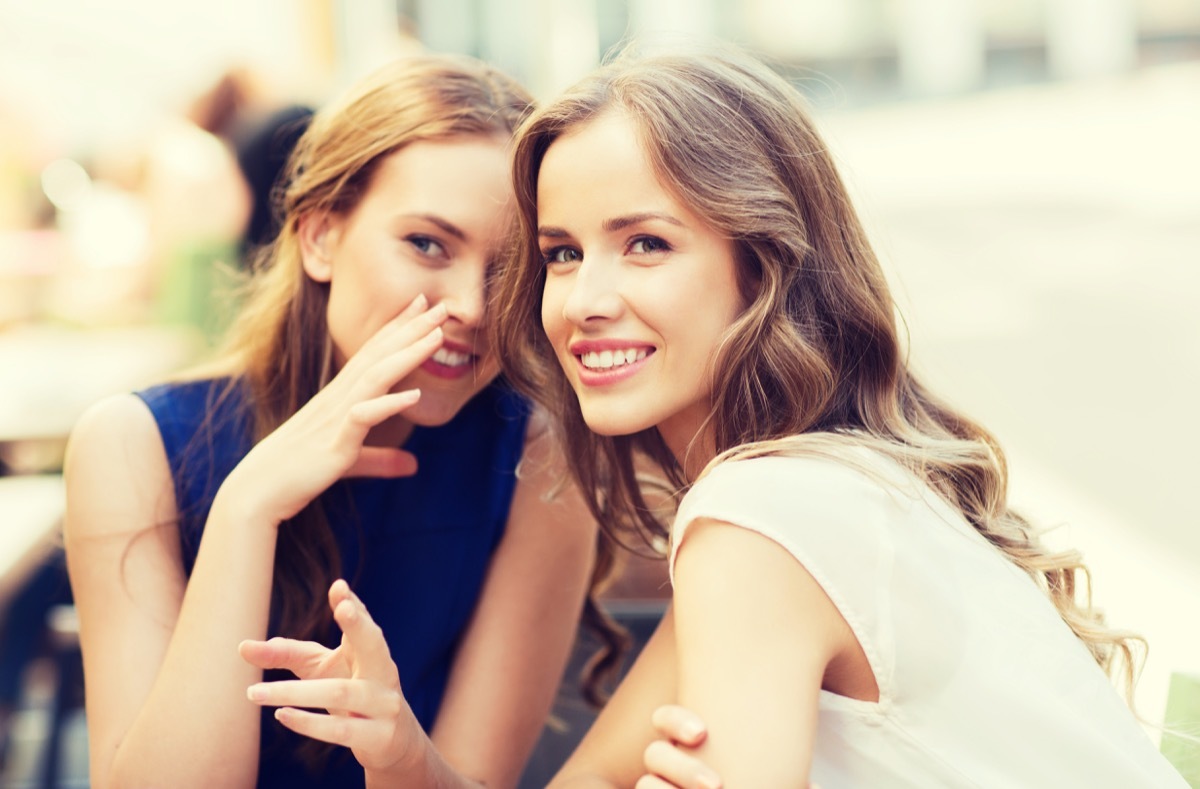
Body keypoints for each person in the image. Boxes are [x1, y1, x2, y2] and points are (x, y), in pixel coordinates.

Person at [484, 46, 1185, 787]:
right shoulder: (824, 491)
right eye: (561, 253)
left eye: (646, 243)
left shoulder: (760, 520)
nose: (584, 299)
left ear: (766, 262)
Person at [63, 53, 597, 789]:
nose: (473, 307)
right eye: (427, 244)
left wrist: (402, 753)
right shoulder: (133, 447)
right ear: (319, 236)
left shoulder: (540, 461)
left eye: (510, 270)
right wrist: (247, 508)